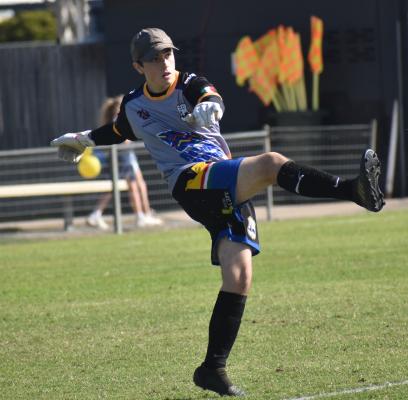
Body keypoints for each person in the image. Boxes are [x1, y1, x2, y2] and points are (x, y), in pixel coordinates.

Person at [51, 27, 385, 397]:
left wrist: (212, 105)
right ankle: (352, 190)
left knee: (239, 276)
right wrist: (82, 139)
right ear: (138, 66)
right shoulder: (134, 104)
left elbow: (208, 95)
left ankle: (212, 368)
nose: (164, 63)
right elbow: (118, 131)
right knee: (270, 164)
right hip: (190, 181)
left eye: (167, 54)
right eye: (154, 58)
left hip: (221, 179)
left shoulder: (189, 83)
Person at [86, 95, 163, 230]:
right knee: (132, 187)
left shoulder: (121, 118)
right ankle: (140, 216)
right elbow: (123, 139)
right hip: (124, 158)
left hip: (126, 157)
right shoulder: (118, 119)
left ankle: (144, 214)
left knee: (138, 185)